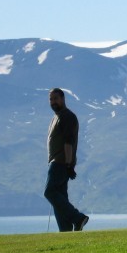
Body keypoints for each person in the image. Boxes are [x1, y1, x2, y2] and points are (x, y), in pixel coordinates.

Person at [44, 87, 89, 232]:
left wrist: (69, 165)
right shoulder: (56, 117)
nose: (53, 102)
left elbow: (68, 142)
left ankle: (78, 218)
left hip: (60, 163)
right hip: (57, 162)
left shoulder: (67, 117)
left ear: (63, 99)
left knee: (50, 192)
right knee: (60, 197)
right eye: (51, 99)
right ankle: (66, 231)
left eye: (56, 99)